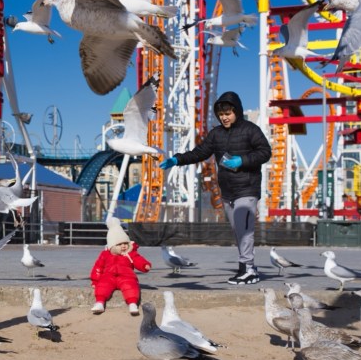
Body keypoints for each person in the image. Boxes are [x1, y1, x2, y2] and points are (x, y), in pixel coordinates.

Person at [159, 91, 271, 285]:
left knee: (244, 229)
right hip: (227, 191)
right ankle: (247, 267)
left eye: (227, 113)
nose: (224, 117)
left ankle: (248, 269)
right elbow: (200, 153)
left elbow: (265, 152)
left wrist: (242, 160)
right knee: (238, 229)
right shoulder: (216, 134)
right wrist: (177, 159)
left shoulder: (251, 129)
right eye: (221, 114)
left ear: (236, 111)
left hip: (247, 188)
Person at [90, 217, 152, 315]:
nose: (123, 246)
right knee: (102, 286)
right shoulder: (105, 254)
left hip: (126, 276)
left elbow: (138, 260)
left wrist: (144, 265)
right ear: (112, 246)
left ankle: (132, 304)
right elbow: (98, 268)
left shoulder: (131, 253)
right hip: (108, 276)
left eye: (125, 243)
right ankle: (99, 302)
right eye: (119, 244)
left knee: (131, 286)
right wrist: (95, 281)